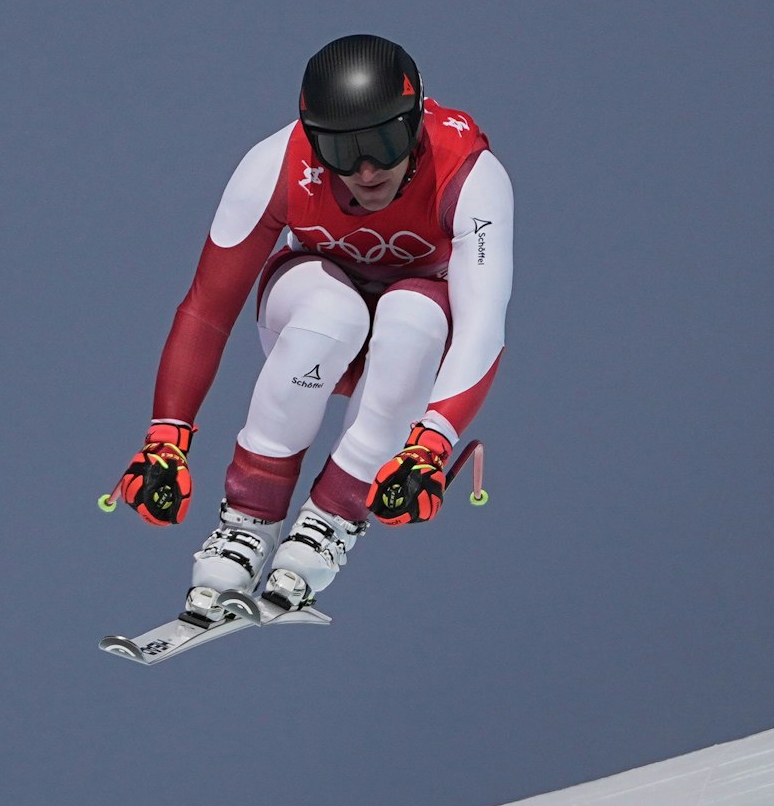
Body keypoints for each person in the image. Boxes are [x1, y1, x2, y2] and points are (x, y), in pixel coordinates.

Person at [108, 34, 512, 623]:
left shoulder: (470, 175)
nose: (366, 168)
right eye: (340, 150)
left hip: (414, 336)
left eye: (383, 140)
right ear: (310, 137)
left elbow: (482, 325)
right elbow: (206, 309)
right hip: (314, 313)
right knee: (335, 315)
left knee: (413, 315)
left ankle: (331, 520)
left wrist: (431, 443)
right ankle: (248, 523)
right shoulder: (277, 162)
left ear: (417, 120)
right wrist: (167, 436)